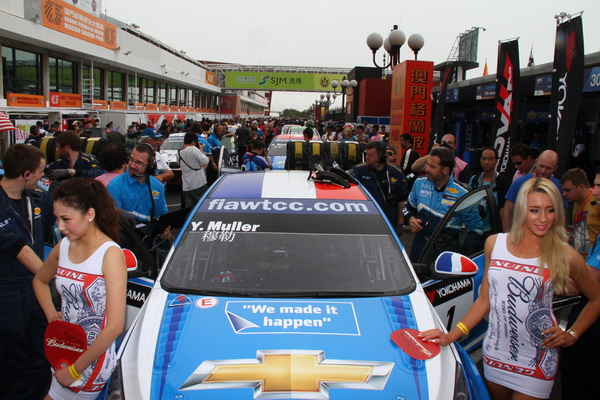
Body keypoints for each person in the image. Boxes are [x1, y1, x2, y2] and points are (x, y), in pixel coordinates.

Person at [419, 178, 600, 400]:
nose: (544, 218)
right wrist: (451, 336)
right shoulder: (494, 244)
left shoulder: (564, 254)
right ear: (522, 210)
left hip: (537, 357)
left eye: (551, 210)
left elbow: (596, 299)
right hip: (496, 354)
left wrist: (572, 334)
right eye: (534, 210)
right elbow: (484, 301)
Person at [33, 178, 126, 400]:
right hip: (64, 351)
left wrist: (75, 370)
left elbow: (114, 327)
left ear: (89, 214)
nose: (60, 227)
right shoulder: (64, 245)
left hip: (91, 362)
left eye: (66, 219)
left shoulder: (110, 255)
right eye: (56, 218)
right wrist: (52, 317)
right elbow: (40, 281)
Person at [0, 144, 53, 399]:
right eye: (41, 172)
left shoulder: (38, 197)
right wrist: (52, 277)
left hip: (36, 290)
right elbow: (18, 247)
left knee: (43, 354)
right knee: (12, 359)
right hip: (8, 294)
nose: (43, 176)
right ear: (26, 174)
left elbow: (63, 222)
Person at [560, 166, 600, 400]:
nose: (596, 191)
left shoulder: (595, 207)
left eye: (568, 190)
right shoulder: (578, 205)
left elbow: (590, 285)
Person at [403, 146, 482, 262]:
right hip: (419, 248)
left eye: (432, 166)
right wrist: (411, 219)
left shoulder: (462, 193)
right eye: (427, 164)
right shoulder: (419, 183)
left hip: (446, 253)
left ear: (445, 170)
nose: (427, 169)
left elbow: (475, 229)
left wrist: (463, 256)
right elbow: (408, 207)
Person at [351, 141, 408, 233]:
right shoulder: (359, 171)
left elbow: (402, 199)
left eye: (371, 155)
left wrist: (400, 223)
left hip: (389, 219)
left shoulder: (396, 172)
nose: (367, 157)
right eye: (366, 154)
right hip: (366, 218)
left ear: (381, 156)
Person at [107, 143, 168, 225]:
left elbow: (159, 217)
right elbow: (113, 222)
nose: (132, 165)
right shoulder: (115, 186)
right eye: (131, 159)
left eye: (139, 163)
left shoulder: (158, 186)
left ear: (150, 166)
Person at [502, 150, 561, 232]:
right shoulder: (519, 182)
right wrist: (507, 235)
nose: (543, 170)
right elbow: (507, 211)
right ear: (536, 162)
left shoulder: (558, 186)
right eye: (541, 166)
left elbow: (562, 214)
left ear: (555, 168)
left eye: (548, 168)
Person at [468, 147, 510, 233]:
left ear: (496, 161)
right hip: (474, 227)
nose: (487, 162)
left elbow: (504, 209)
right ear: (480, 160)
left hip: (493, 228)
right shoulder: (474, 179)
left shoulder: (502, 182)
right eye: (484, 159)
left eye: (491, 159)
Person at [560, 167, 600, 257]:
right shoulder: (576, 202)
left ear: (581, 187)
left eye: (568, 190)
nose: (564, 194)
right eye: (563, 190)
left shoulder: (597, 201)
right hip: (581, 258)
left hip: (595, 259)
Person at [178, 132, 209, 208]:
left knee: (190, 210)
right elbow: (205, 161)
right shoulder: (193, 149)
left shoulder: (178, 153)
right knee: (203, 207)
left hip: (186, 187)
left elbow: (180, 164)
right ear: (193, 141)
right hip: (199, 184)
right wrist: (201, 149)